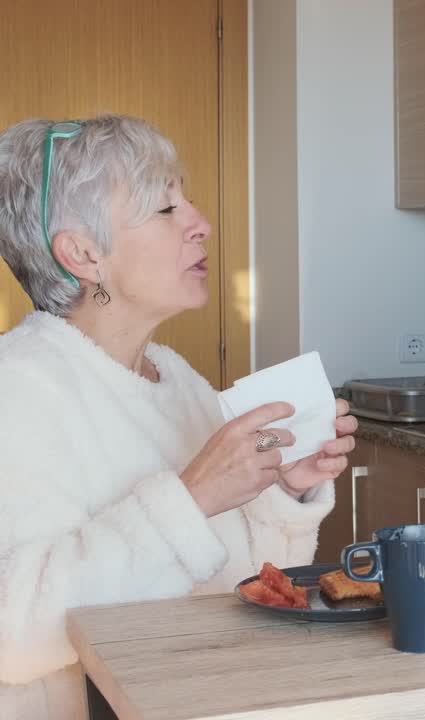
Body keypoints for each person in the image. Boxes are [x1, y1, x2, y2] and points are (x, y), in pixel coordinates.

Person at [0, 115, 357, 720]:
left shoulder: (178, 380)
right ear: (84, 254)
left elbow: (235, 582)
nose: (200, 224)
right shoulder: (18, 386)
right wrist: (190, 500)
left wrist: (283, 490)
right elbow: (14, 632)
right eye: (165, 209)